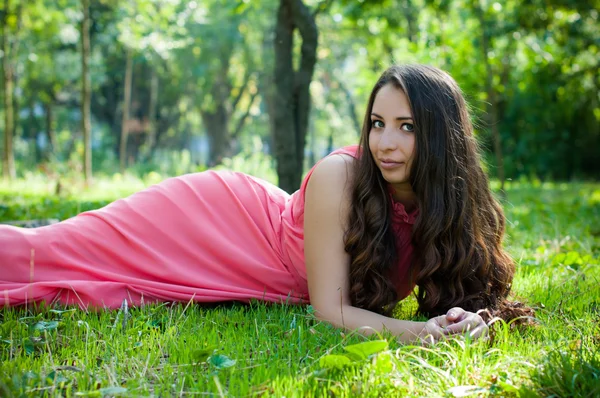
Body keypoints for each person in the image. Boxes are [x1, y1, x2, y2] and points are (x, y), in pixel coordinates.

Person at [0, 64, 530, 344]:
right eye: (377, 123)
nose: (384, 143)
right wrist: (422, 335)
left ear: (441, 138)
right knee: (44, 253)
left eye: (406, 127)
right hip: (207, 221)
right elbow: (330, 311)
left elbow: (462, 287)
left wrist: (466, 319)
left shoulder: (453, 204)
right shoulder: (339, 177)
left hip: (246, 263)